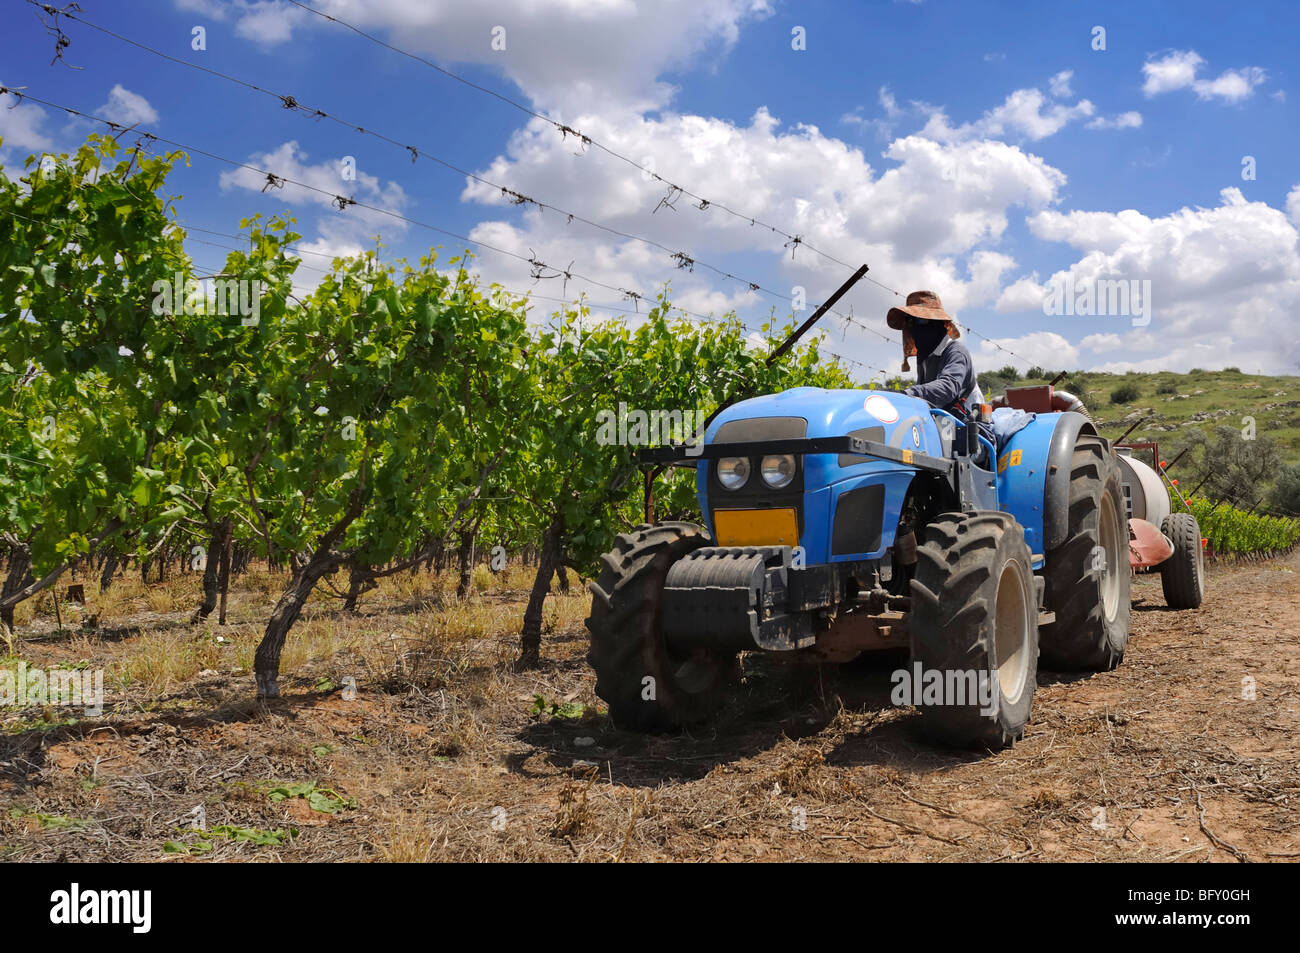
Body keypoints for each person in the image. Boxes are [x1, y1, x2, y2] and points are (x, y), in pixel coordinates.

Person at [885, 290, 985, 418]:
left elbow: (948, 387)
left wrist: (905, 394)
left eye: (921, 321)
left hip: (971, 426)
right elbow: (923, 395)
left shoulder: (955, 351)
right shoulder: (925, 358)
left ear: (939, 323)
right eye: (911, 322)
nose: (915, 328)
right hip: (944, 425)